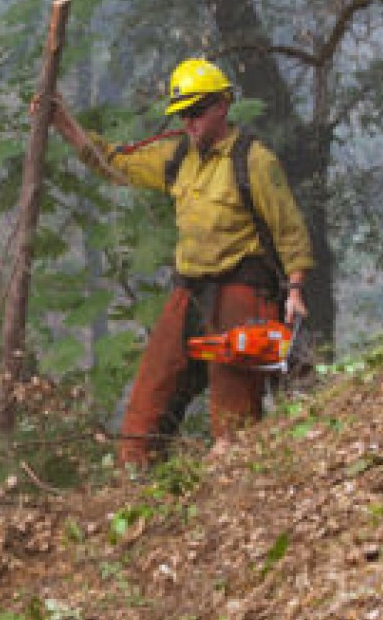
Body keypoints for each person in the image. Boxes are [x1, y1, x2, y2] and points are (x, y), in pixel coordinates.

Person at [40, 57, 314, 466]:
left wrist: (294, 291)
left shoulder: (254, 161)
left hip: (242, 295)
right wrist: (62, 122)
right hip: (189, 294)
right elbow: (113, 163)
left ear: (222, 105)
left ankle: (229, 504)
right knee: (145, 413)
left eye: (198, 111)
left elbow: (289, 230)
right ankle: (139, 495)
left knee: (233, 428)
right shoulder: (177, 158)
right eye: (183, 114)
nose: (190, 122)